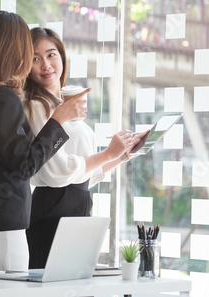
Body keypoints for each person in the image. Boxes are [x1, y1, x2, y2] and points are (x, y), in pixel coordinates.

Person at [0, 11, 98, 271]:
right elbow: (24, 166)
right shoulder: (4, 98)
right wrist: (57, 121)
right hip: (1, 232)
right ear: (14, 50)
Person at [24, 27, 149, 269]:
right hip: (52, 211)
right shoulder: (37, 106)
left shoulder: (62, 105)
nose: (45, 65)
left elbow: (82, 175)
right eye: (35, 59)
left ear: (62, 57)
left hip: (75, 206)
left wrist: (121, 155)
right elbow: (56, 173)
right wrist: (107, 154)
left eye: (51, 55)